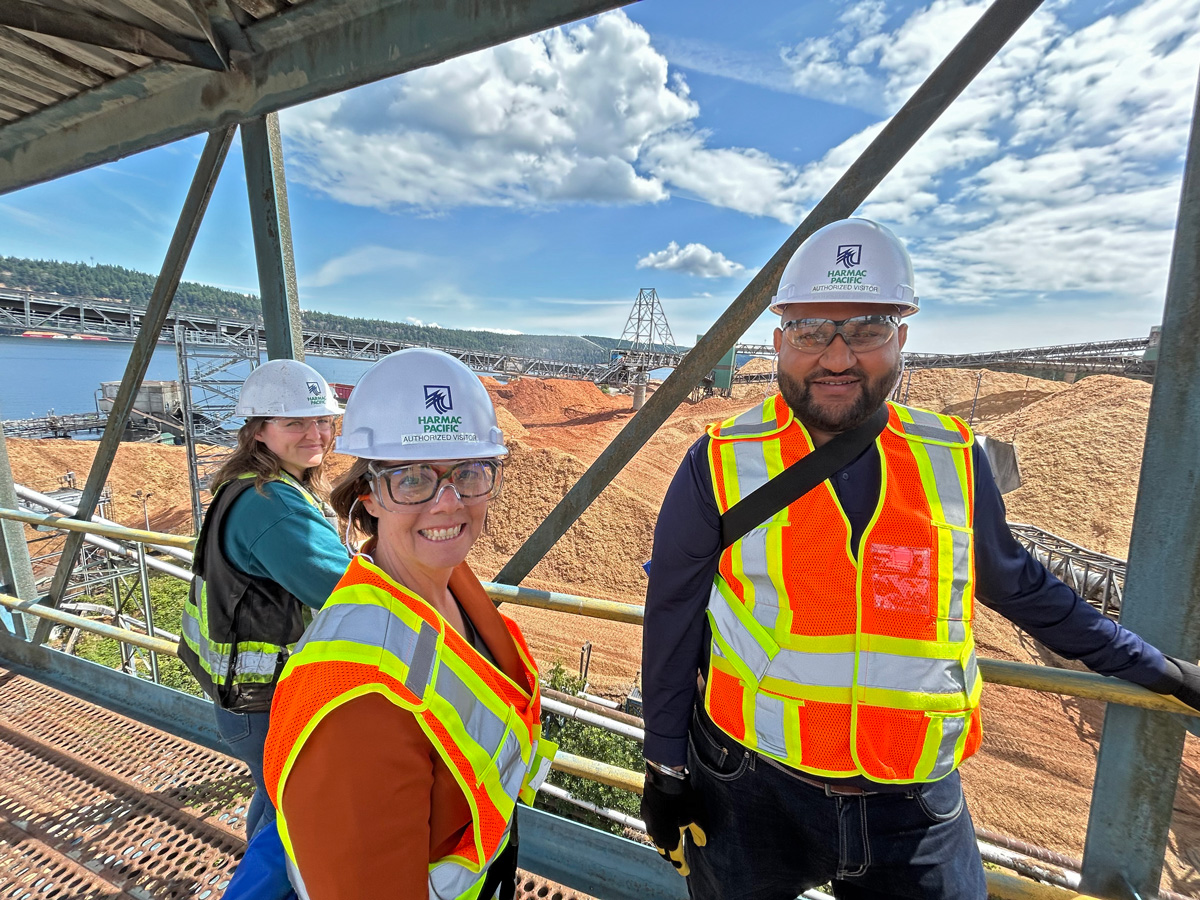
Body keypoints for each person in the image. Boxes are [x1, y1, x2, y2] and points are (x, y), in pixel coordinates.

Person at [639, 217, 1200, 899]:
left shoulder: (953, 459)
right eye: (812, 331)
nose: (837, 357)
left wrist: (1159, 668)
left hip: (913, 803)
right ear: (780, 341)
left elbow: (1022, 588)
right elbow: (672, 614)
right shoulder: (720, 461)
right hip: (751, 788)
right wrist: (665, 766)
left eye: (866, 329)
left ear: (901, 338)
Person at [261, 348, 556, 900]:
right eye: (413, 479)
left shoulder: (450, 585)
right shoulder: (355, 699)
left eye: (469, 474)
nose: (448, 503)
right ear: (369, 496)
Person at [178, 358, 350, 839]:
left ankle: (253, 874)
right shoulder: (272, 505)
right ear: (258, 431)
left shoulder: (249, 487)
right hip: (266, 704)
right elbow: (346, 593)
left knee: (275, 806)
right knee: (293, 826)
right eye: (294, 423)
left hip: (245, 701)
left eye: (323, 421)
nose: (316, 434)